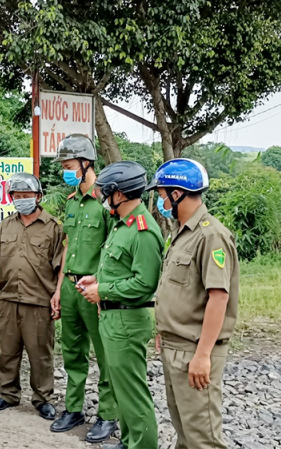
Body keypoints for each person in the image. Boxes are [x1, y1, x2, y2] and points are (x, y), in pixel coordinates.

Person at [147, 158, 240, 449]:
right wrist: (165, 330)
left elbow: (218, 297)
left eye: (162, 194)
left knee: (203, 438)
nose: (160, 200)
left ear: (178, 194)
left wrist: (202, 356)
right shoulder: (182, 232)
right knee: (185, 433)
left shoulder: (211, 235)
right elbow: (181, 292)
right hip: (176, 346)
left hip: (194, 350)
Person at [76, 161, 163, 449]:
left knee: (133, 390)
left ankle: (143, 445)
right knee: (121, 388)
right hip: (113, 319)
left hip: (128, 320)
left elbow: (144, 283)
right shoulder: (121, 224)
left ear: (120, 194)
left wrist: (103, 290)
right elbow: (120, 269)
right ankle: (129, 441)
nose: (102, 196)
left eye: (106, 191)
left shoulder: (142, 230)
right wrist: (96, 278)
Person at [49, 134, 118, 443]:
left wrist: (103, 289)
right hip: (69, 286)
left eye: (68, 165)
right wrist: (57, 289)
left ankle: (108, 415)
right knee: (72, 352)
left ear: (86, 163)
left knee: (103, 355)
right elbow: (67, 246)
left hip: (94, 288)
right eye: (64, 165)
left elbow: (112, 248)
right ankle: (73, 409)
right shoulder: (72, 201)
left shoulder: (106, 202)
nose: (65, 170)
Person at [0, 172, 64, 420]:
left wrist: (57, 295)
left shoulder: (53, 228)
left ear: (38, 196)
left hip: (38, 301)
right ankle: (7, 394)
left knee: (40, 353)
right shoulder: (6, 225)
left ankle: (43, 399)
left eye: (27, 195)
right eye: (17, 196)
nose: (22, 200)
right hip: (8, 299)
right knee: (7, 351)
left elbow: (61, 266)